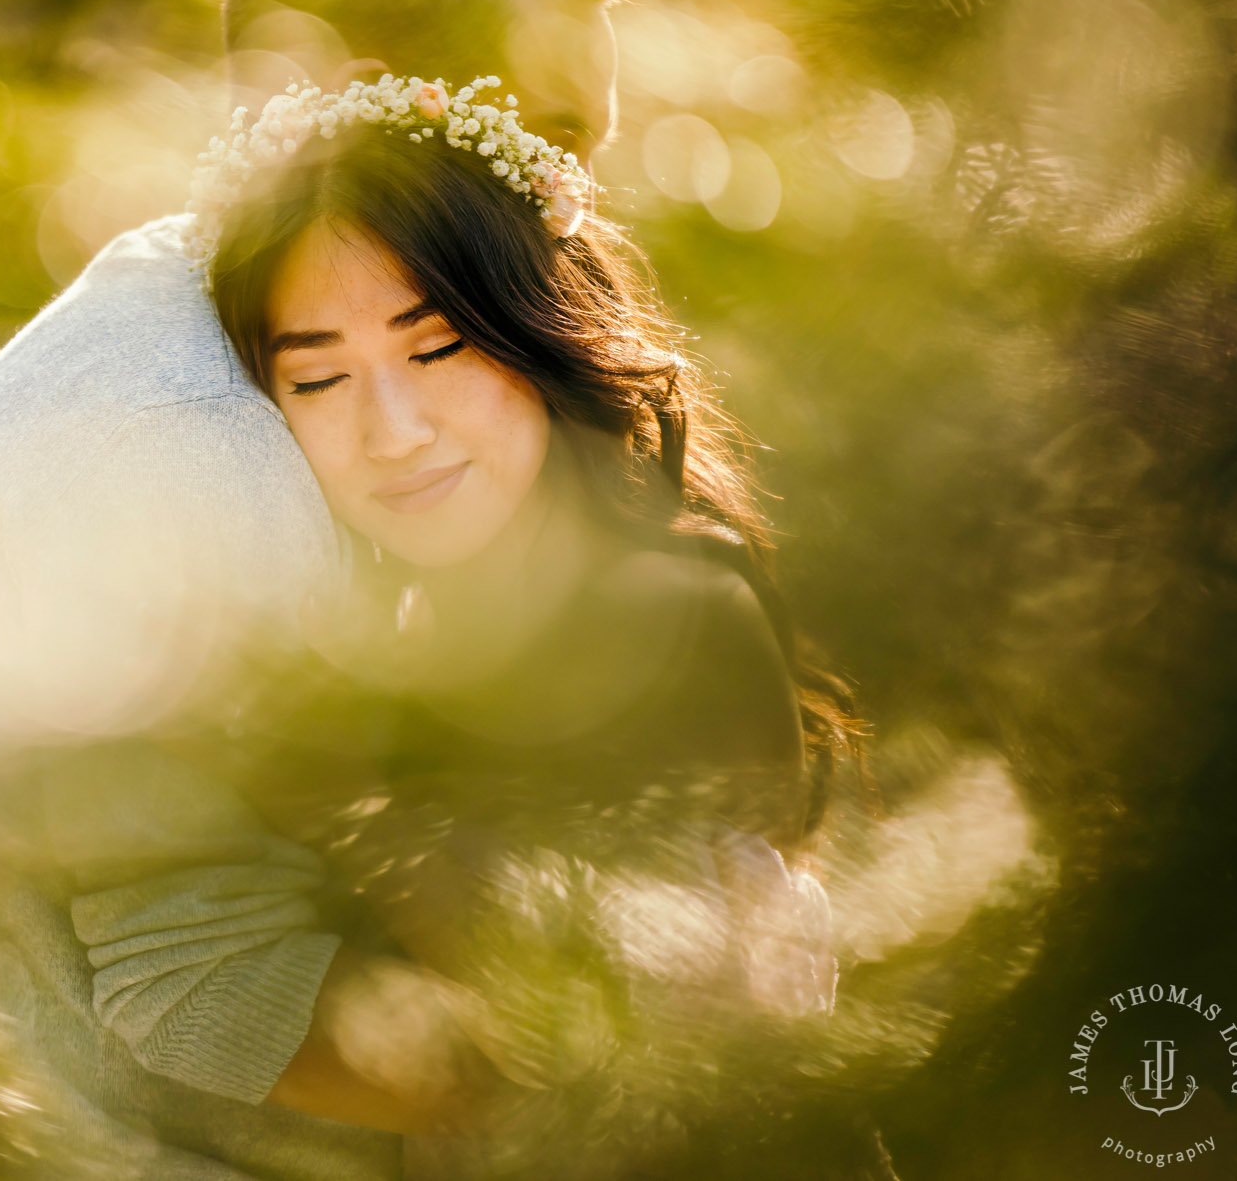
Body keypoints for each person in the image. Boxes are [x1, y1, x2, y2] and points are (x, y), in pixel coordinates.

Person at [0, 0, 853, 1175]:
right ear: (356, 113)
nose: (579, 205)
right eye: (551, 142)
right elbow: (207, 985)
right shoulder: (185, 448)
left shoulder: (302, 349)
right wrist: (655, 1075)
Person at [193, 75, 878, 1175]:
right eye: (317, 379)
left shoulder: (663, 609)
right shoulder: (423, 621)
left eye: (437, 349)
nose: (394, 431)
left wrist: (278, 764)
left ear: (533, 328)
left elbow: (556, 1019)